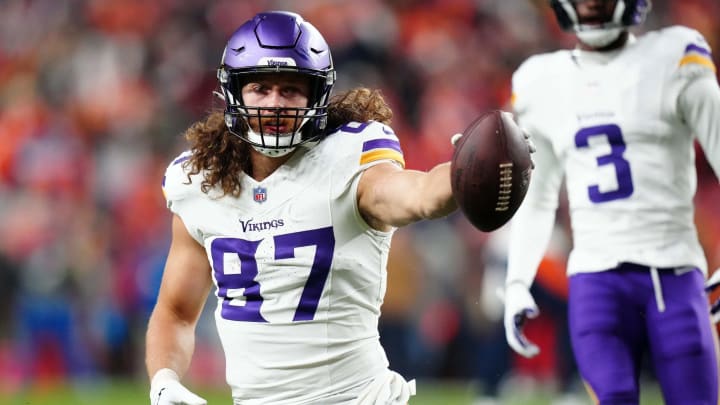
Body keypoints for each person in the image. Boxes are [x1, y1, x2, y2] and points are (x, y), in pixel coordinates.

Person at [144, 10, 523, 405]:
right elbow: (176, 312)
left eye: (290, 89)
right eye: (260, 87)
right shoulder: (200, 182)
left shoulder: (347, 160)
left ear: (316, 95)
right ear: (233, 93)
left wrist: (463, 173)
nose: (274, 104)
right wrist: (164, 380)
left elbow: (416, 194)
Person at [501, 0, 720, 404]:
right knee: (613, 396)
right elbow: (538, 196)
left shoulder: (675, 53)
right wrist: (516, 281)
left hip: (674, 269)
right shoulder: (540, 80)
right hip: (595, 277)